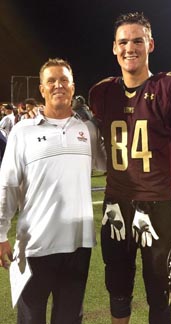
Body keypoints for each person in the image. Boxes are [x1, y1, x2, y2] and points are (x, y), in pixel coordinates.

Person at [89, 12, 171, 324]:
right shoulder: (104, 93)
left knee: (159, 291)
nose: (130, 47)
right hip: (116, 206)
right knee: (117, 288)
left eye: (138, 40)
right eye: (123, 41)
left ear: (151, 44)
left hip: (159, 207)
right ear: (114, 47)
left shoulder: (169, 88)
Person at [0, 58, 106, 324]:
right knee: (31, 318)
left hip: (78, 244)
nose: (58, 85)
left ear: (72, 88)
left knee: (70, 318)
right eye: (51, 81)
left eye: (63, 80)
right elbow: (8, 184)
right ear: (42, 89)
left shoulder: (87, 129)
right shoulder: (22, 132)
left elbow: (105, 164)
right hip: (34, 244)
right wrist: (0, 232)